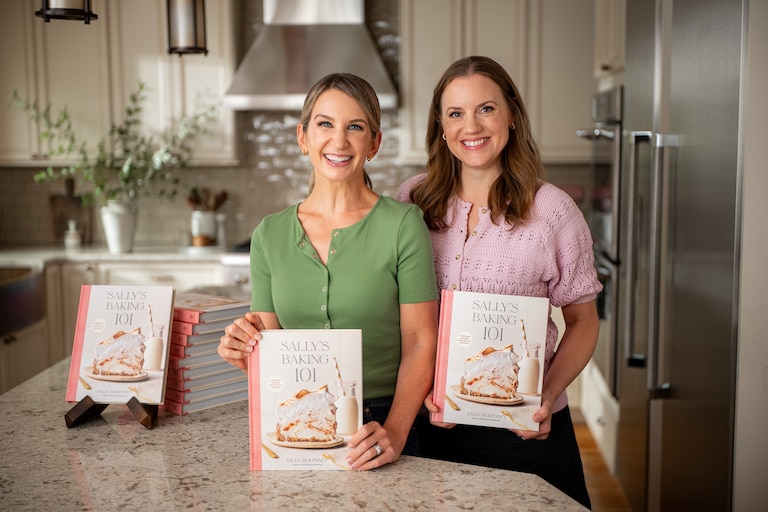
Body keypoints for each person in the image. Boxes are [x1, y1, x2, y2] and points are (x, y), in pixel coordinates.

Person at [395, 56, 601, 509]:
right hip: (430, 428)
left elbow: (583, 322)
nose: (471, 126)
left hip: (524, 433)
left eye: (485, 109)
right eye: (455, 113)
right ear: (441, 126)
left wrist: (546, 395)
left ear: (511, 115)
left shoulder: (553, 211)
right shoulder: (412, 201)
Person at [218, 73, 439, 471]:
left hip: (381, 425)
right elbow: (272, 350)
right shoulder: (269, 234)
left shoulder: (403, 224)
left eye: (355, 127)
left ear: (374, 143)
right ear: (303, 137)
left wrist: (395, 431)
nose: (339, 141)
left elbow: (421, 341)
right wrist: (244, 352)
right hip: (295, 422)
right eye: (325, 124)